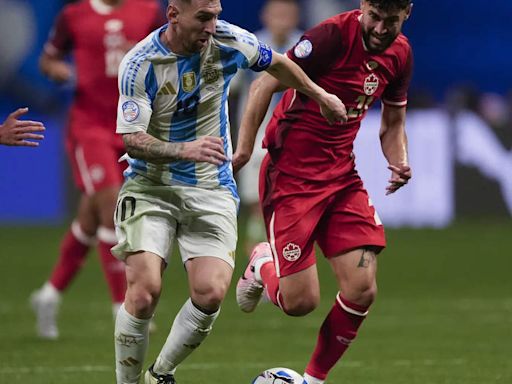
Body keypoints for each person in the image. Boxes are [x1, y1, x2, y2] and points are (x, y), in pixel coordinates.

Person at [111, 0, 347, 383]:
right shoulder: (140, 63)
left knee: (211, 293)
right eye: (203, 17)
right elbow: (132, 139)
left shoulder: (230, 40)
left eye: (216, 15)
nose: (212, 25)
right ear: (174, 15)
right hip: (151, 185)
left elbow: (279, 63)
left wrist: (319, 95)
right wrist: (181, 149)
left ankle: (161, 374)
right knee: (144, 291)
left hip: (210, 184)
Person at [234, 1, 413, 383]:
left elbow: (393, 122)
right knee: (300, 303)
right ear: (363, 6)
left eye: (392, 21)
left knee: (362, 288)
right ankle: (262, 263)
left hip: (341, 176)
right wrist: (245, 151)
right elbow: (265, 82)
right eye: (375, 17)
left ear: (407, 14)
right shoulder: (331, 37)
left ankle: (313, 380)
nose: (381, 28)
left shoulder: (400, 54)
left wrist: (398, 160)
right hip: (291, 177)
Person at [30, 0, 164, 340]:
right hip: (89, 128)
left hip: (133, 124)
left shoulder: (148, 10)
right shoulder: (74, 15)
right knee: (113, 208)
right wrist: (56, 70)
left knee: (91, 216)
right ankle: (123, 307)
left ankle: (48, 295)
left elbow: (167, 53)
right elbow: (48, 58)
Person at [235, 0, 303, 253]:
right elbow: (230, 88)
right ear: (265, 16)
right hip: (257, 135)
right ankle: (260, 263)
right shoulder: (249, 47)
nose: (282, 19)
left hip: (294, 136)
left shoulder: (306, 47)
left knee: (288, 203)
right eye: (277, 14)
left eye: (287, 14)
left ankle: (281, 260)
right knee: (257, 203)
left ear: (296, 16)